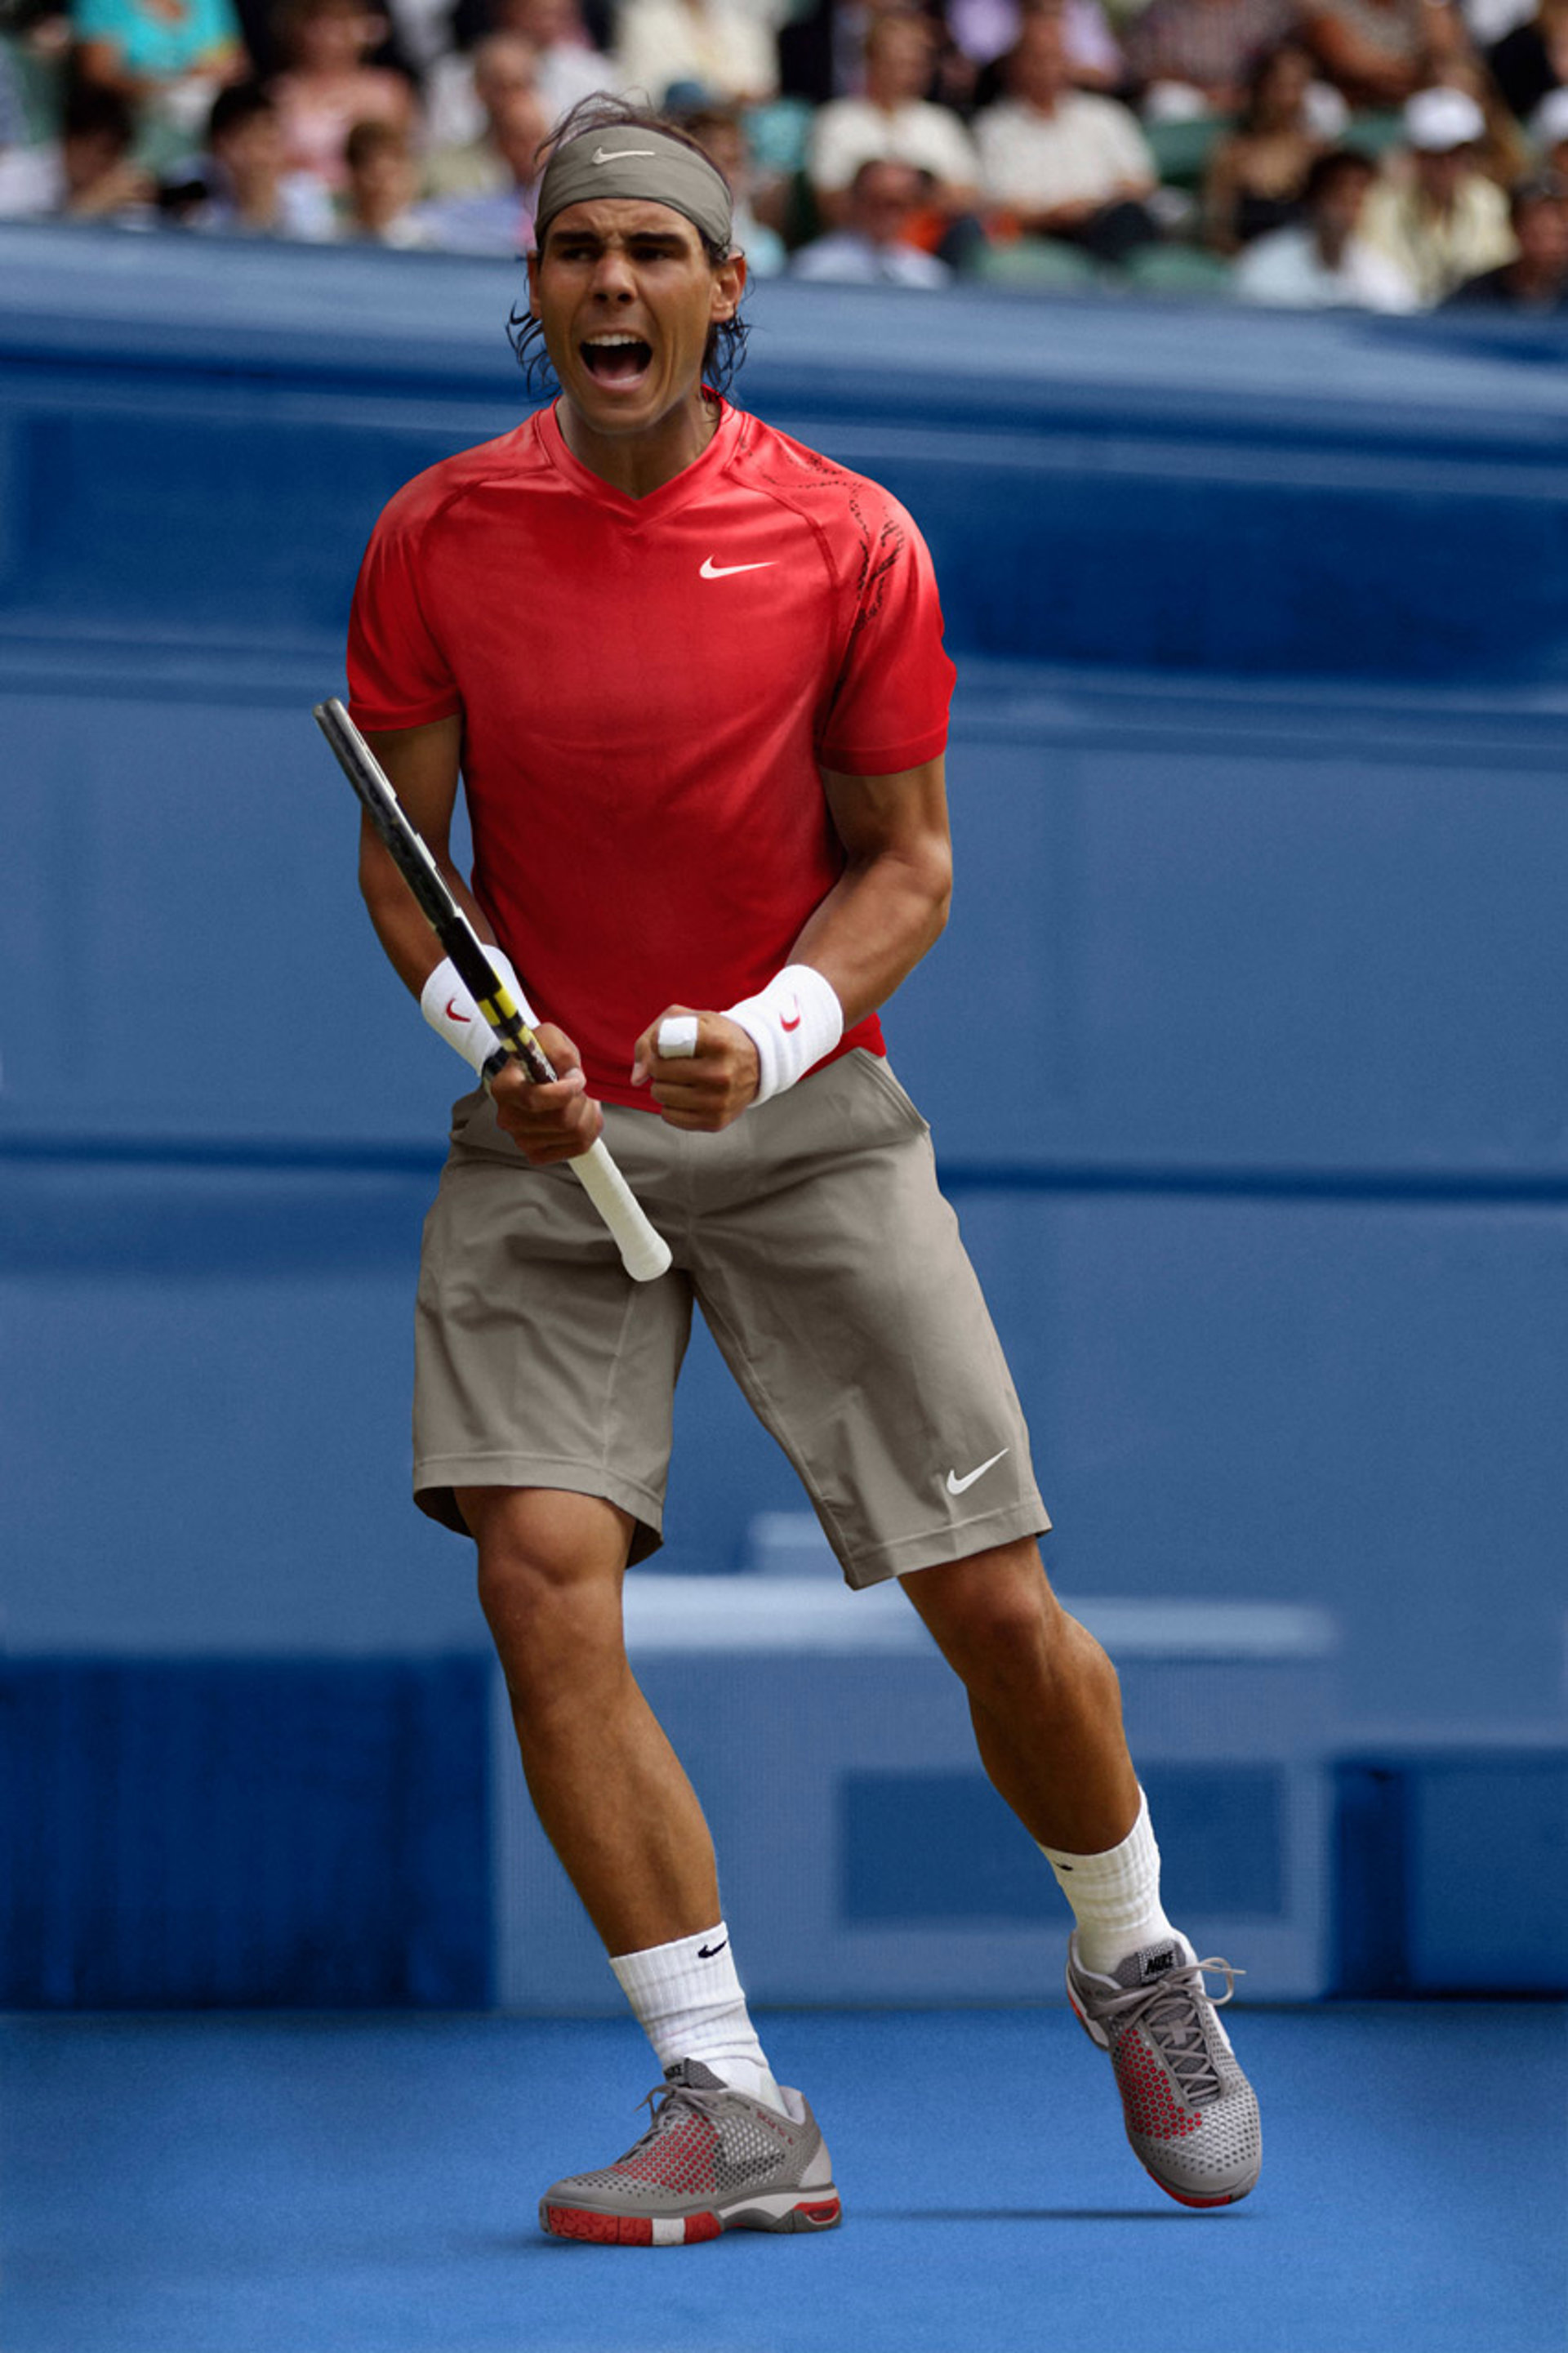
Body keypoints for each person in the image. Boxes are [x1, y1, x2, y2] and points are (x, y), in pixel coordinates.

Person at [345, 90, 1262, 2247]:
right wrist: (496, 1041)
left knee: (994, 1605)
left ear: (724, 287)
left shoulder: (850, 540)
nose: (614, 283)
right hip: (548, 1143)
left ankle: (1131, 1946)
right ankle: (732, 2096)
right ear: (537, 289)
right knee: (537, 1576)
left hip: (804, 1116)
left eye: (655, 251)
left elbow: (907, 866)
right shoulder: (435, 537)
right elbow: (403, 866)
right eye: (580, 251)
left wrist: (757, 1038)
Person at [975, 10, 1161, 264]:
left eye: (1056, 57)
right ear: (1014, 66)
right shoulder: (994, 128)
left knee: (1129, 218)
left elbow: (1142, 184)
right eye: (1037, 58)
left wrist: (1092, 205)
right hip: (1040, 236)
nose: (1048, 69)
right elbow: (996, 205)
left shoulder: (1106, 115)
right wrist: (1053, 215)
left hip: (1105, 223)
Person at [1358, 82, 1515, 301]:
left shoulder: (1491, 203)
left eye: (1457, 153)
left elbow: (1502, 271)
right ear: (1416, 155)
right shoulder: (1381, 207)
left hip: (1476, 315)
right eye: (1435, 154)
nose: (1446, 165)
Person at [1234, 140, 1419, 300]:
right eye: (1338, 196)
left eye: (1356, 200)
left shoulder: (1385, 277)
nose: (1346, 208)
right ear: (1314, 200)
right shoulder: (1264, 263)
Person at [791, 152, 954, 279]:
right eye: (875, 202)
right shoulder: (813, 268)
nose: (885, 214)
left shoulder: (929, 276)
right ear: (855, 201)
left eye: (896, 205)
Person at [1441, 166, 1568, 299]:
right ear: (1515, 228)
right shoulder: (1477, 295)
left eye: (1560, 235)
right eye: (1539, 234)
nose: (1552, 246)